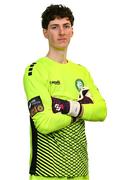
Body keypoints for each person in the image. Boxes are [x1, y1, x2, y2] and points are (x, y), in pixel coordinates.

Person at [23, 4, 107, 180]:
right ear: (45, 32)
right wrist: (82, 109)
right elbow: (44, 123)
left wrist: (65, 106)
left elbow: (101, 111)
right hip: (47, 173)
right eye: (55, 27)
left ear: (72, 31)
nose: (61, 32)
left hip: (80, 171)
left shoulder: (81, 71)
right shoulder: (35, 71)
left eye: (66, 26)